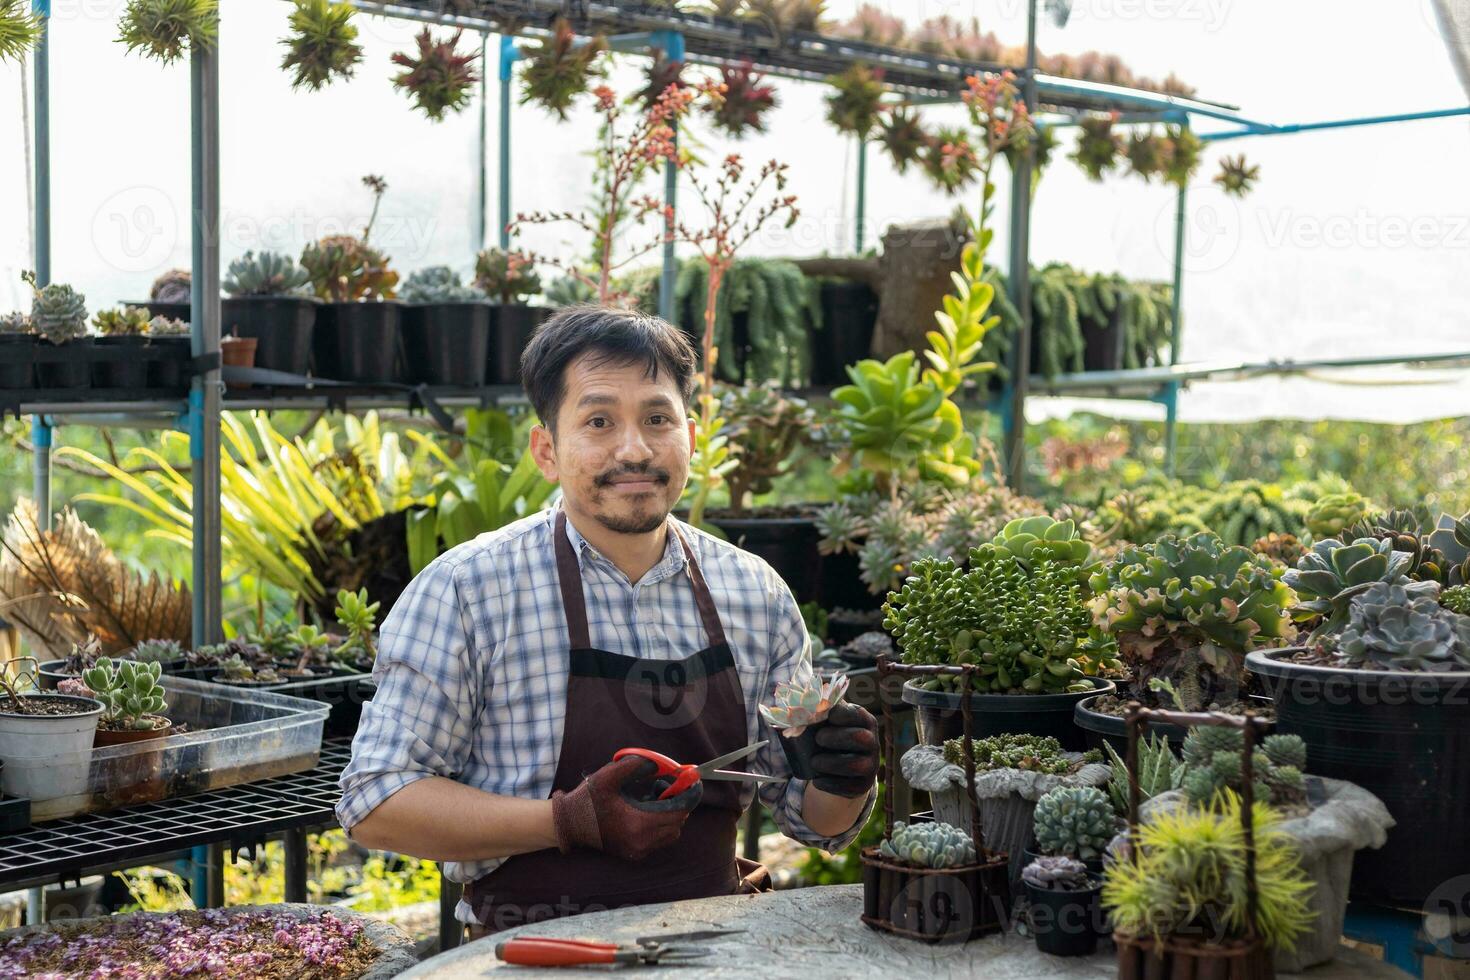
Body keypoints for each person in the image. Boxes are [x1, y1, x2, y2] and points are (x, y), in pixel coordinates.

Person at [337, 306, 878, 934]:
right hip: (529, 953)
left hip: (715, 948)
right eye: (599, 421)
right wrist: (566, 821)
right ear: (547, 449)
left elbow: (812, 819)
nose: (634, 449)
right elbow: (377, 800)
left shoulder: (754, 593)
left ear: (691, 439)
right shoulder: (469, 590)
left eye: (657, 419)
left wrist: (844, 779)